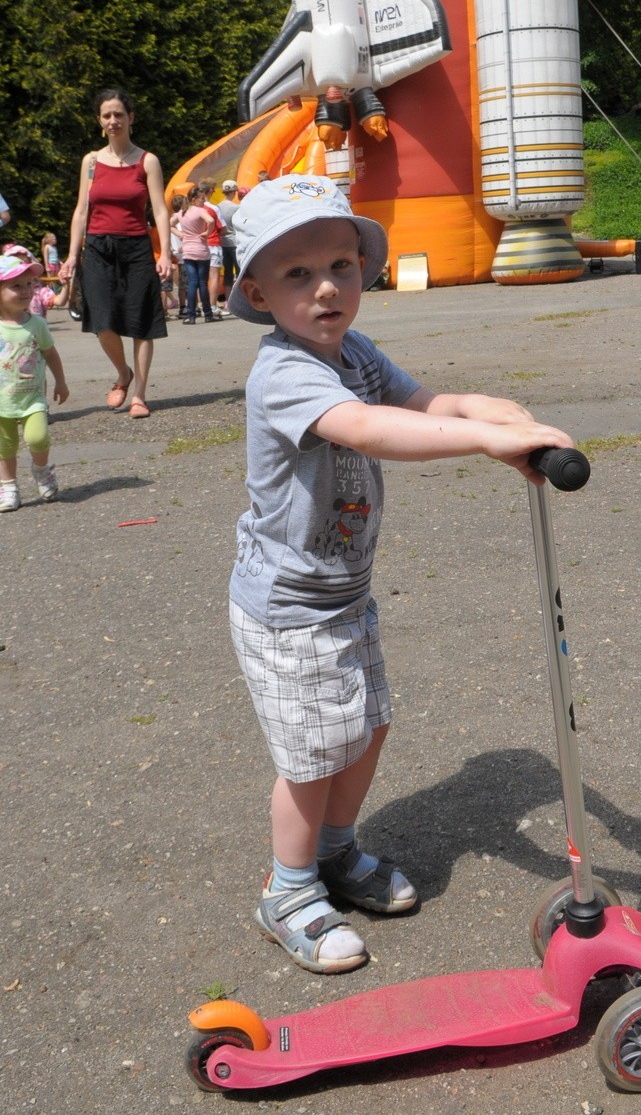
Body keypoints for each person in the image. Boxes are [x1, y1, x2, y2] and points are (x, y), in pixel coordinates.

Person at [226, 175, 575, 975]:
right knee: (314, 754)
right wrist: (478, 442)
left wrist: (495, 412)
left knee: (367, 725)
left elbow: (419, 401)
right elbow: (366, 427)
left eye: (342, 266)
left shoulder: (354, 351)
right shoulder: (283, 370)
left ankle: (337, 854)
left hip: (343, 592)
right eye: (297, 275)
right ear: (255, 291)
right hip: (288, 605)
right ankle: (287, 889)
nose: (326, 288)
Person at [59, 87, 172, 420]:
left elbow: (161, 211)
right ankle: (123, 373)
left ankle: (139, 394)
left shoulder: (147, 160)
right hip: (97, 248)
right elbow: (81, 211)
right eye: (106, 115)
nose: (113, 121)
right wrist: (71, 255)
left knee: (141, 323)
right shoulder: (91, 162)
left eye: (119, 114)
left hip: (136, 247)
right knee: (102, 321)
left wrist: (164, 252)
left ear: (130, 118)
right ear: (100, 121)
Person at [0, 252, 69, 511]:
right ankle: (8, 486)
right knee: (4, 445)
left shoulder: (37, 325)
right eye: (16, 285)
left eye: (29, 283)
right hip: (1, 400)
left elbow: (50, 353)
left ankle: (41, 470)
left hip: (32, 397)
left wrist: (61, 382)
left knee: (38, 437)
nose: (26, 290)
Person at [179, 186, 215, 324]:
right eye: (201, 198)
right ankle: (208, 314)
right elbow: (210, 221)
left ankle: (191, 315)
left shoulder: (182, 212)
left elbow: (169, 224)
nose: (204, 201)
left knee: (192, 283)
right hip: (201, 250)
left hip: (188, 251)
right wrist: (207, 233)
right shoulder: (200, 211)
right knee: (202, 283)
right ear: (194, 199)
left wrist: (180, 234)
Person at [197, 182, 226, 318]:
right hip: (213, 243)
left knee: (199, 277)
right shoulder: (213, 208)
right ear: (211, 191)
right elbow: (223, 228)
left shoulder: (193, 209)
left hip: (198, 244)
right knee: (213, 276)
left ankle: (199, 304)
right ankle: (212, 305)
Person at [217, 180, 240, 302]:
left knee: (227, 272)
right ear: (234, 192)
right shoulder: (236, 207)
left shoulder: (218, 207)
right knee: (240, 271)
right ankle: (241, 300)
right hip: (234, 242)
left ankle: (228, 301)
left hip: (222, 242)